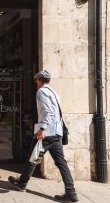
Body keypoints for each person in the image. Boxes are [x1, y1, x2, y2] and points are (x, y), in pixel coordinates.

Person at [8, 70, 78, 202]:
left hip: (47, 133)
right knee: (61, 163)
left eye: (36, 81)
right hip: (57, 132)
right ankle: (71, 192)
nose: (36, 83)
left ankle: (22, 183)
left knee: (33, 157)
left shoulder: (41, 92)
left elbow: (49, 112)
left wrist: (42, 128)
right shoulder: (54, 93)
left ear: (39, 80)